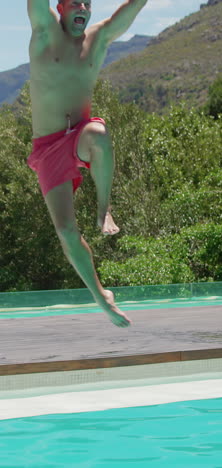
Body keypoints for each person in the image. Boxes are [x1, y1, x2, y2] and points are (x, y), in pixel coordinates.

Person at [27, 0, 147, 327]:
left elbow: (128, 13)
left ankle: (104, 207)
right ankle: (100, 295)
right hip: (48, 147)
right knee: (66, 231)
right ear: (61, 7)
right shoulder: (45, 32)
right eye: (75, 2)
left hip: (79, 135)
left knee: (99, 133)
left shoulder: (98, 39)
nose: (83, 8)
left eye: (88, 3)